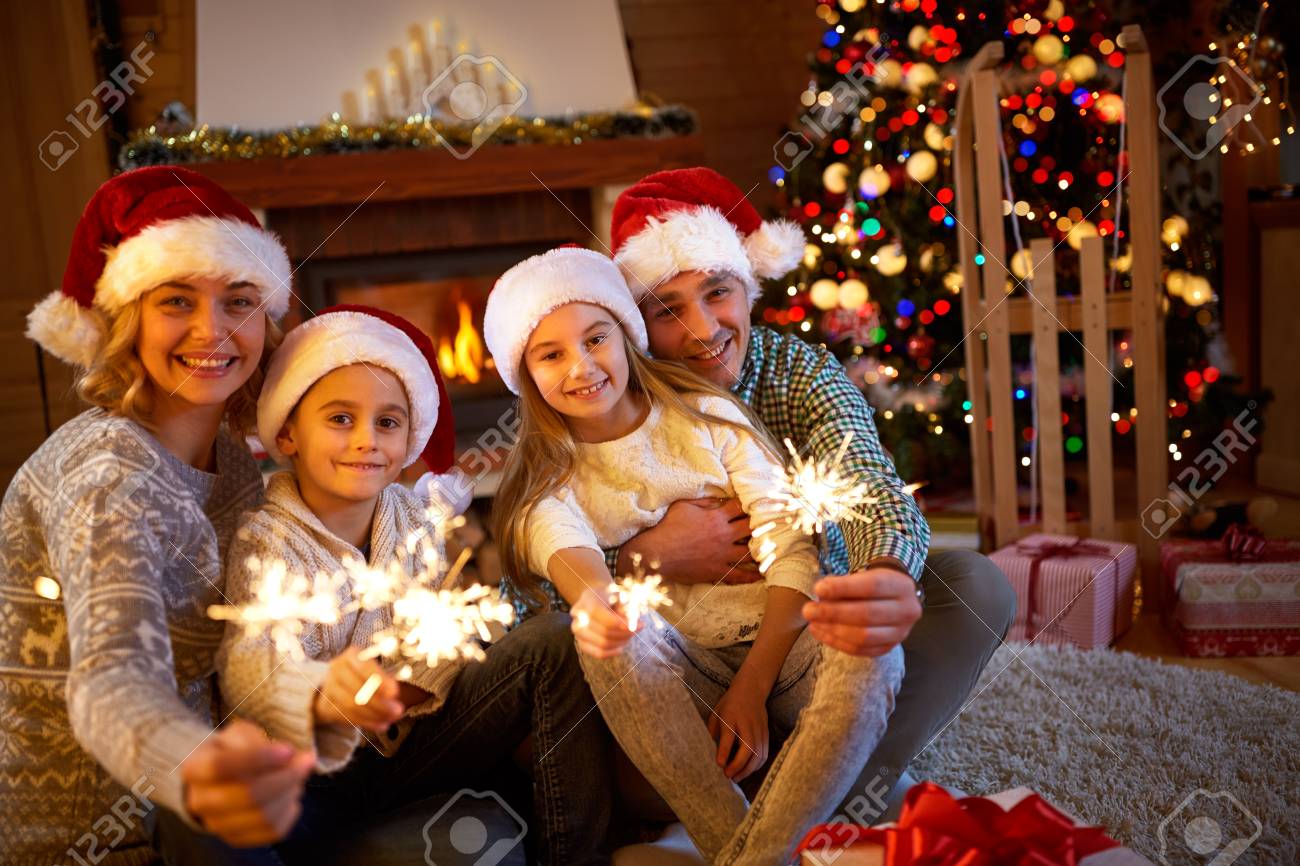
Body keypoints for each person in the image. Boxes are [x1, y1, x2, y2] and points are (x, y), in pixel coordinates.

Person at [607, 167, 1017, 816]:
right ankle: (804, 787)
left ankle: (811, 788)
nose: (703, 330)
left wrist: (884, 573)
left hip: (805, 647)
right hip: (686, 668)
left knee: (974, 585)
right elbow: (530, 579)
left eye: (718, 292)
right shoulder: (609, 399)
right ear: (635, 324)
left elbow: (868, 486)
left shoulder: (796, 371)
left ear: (747, 285)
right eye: (667, 310)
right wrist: (634, 558)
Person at [483, 246, 903, 865]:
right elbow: (579, 569)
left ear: (627, 336)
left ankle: (753, 858)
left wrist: (753, 691)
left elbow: (791, 548)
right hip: (678, 680)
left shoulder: (709, 416)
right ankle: (735, 838)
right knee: (604, 633)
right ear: (526, 374)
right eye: (551, 354)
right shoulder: (545, 486)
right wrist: (601, 604)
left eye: (596, 338)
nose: (582, 366)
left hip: (781, 649)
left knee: (875, 650)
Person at [218, 304, 613, 865]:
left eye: (387, 422)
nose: (367, 441)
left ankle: (577, 856)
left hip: (414, 744)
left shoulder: (409, 520)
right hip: (324, 773)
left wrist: (408, 686)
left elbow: (443, 635)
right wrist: (325, 691)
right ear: (287, 433)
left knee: (552, 639)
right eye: (339, 419)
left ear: (408, 437)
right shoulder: (268, 540)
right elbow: (250, 666)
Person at [0, 166, 312, 864]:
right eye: (176, 301)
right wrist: (197, 766)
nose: (213, 330)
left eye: (239, 300)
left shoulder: (233, 465)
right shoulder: (105, 475)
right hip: (111, 835)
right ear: (127, 321)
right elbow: (112, 680)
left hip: (223, 783)